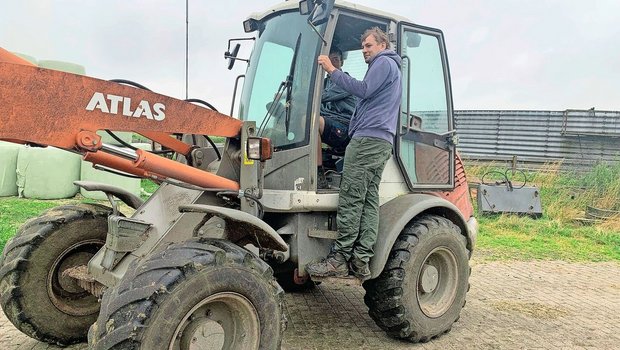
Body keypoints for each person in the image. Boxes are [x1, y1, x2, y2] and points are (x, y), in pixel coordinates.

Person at [306, 27, 402, 281]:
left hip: (368, 140)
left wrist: (331, 70)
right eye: (363, 47)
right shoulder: (392, 68)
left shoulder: (383, 63)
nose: (365, 50)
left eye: (369, 45)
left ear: (382, 44)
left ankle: (339, 258)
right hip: (380, 141)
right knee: (369, 200)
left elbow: (362, 89)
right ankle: (361, 259)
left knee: (350, 197)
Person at [317, 47, 356, 188]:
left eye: (335, 59)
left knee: (314, 122)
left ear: (342, 62)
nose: (332, 62)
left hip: (346, 128)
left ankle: (317, 173)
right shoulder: (323, 84)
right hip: (332, 124)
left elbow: (319, 98)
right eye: (329, 59)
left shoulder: (345, 81)